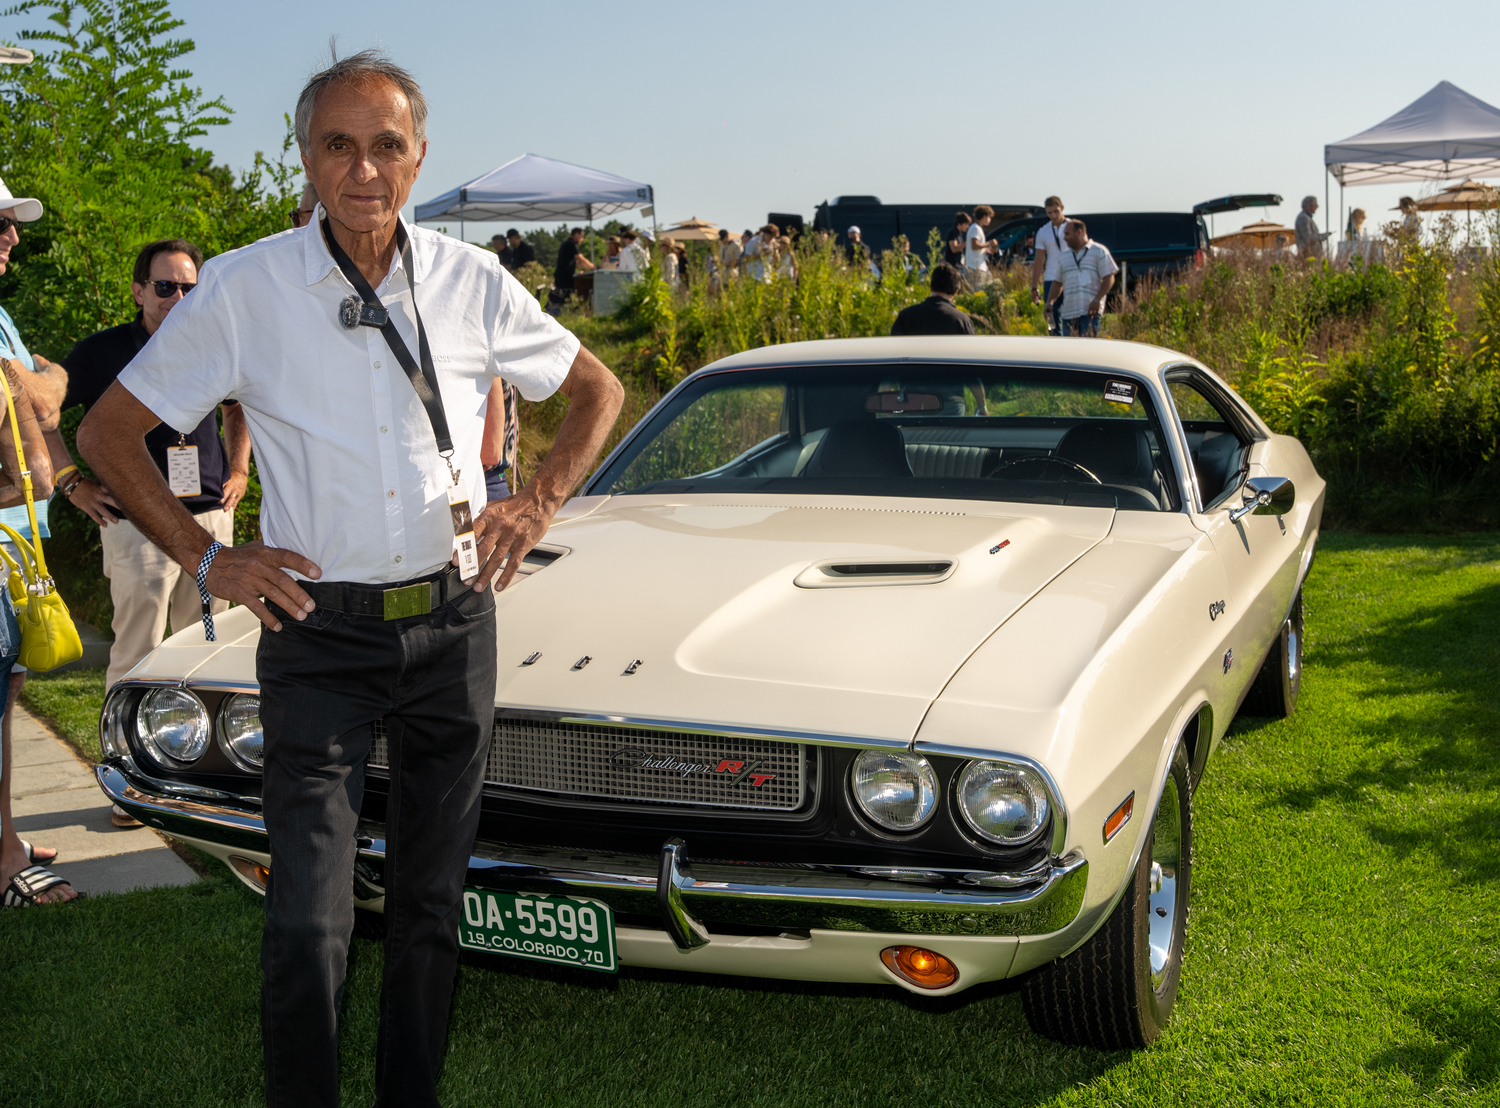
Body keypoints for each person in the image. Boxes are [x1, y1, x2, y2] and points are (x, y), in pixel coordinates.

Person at [76, 50, 624, 1103]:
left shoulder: (470, 281)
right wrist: (208, 553)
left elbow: (593, 388)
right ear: (307, 157)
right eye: (339, 144)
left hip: (453, 628)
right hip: (316, 636)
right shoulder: (244, 287)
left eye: (386, 146)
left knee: (429, 903)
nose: (363, 169)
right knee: (307, 917)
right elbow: (109, 430)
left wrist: (539, 495)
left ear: (418, 160)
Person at [56, 238, 250, 697]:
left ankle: (198, 759)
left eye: (189, 288)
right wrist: (70, 483)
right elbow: (41, 416)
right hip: (135, 523)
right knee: (138, 654)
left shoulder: (214, 345)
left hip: (209, 519)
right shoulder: (100, 351)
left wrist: (239, 469)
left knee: (210, 648)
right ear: (138, 291)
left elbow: (236, 408)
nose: (178, 299)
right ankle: (124, 754)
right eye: (165, 287)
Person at [0, 177, 72, 908]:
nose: (11, 238)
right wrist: (40, 382)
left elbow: (45, 393)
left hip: (17, 555)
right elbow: (41, 399)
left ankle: (7, 838)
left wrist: (40, 380)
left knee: (6, 698)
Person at [1048, 219, 1118, 337]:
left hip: (1090, 313)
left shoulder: (1099, 251)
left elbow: (1109, 277)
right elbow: (1057, 283)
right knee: (1070, 353)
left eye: (1067, 234)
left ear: (1079, 232)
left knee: (1088, 352)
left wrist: (1097, 299)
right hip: (1068, 314)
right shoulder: (1063, 256)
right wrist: (1049, 303)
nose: (1064, 238)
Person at [891, 263, 975, 336]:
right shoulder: (962, 321)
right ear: (956, 291)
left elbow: (893, 348)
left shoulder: (906, 316)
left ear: (931, 286)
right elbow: (971, 351)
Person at [1030, 196, 1067, 334]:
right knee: (1050, 317)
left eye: (1056, 211)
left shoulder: (1072, 226)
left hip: (1071, 277)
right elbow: (1038, 260)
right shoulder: (1043, 231)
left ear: (1062, 208)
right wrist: (1034, 287)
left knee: (1072, 318)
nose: (1053, 215)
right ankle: (1053, 340)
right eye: (1049, 213)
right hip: (1051, 278)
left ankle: (1072, 346)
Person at [549, 225, 594, 314]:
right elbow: (581, 259)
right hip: (564, 277)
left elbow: (576, 262)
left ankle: (564, 313)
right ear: (576, 235)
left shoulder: (566, 243)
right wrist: (594, 267)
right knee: (565, 297)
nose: (582, 239)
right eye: (581, 237)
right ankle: (565, 314)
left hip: (561, 275)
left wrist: (580, 270)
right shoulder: (571, 244)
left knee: (563, 298)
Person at [964, 204, 995, 288]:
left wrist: (988, 250)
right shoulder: (975, 228)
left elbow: (977, 247)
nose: (990, 219)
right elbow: (974, 245)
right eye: (989, 217)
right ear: (984, 216)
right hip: (975, 268)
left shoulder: (977, 228)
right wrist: (989, 243)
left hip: (980, 267)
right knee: (979, 291)